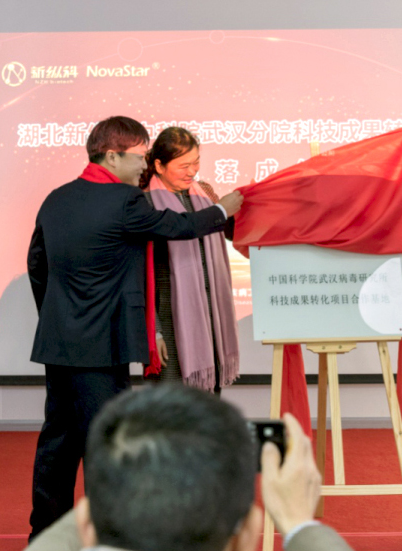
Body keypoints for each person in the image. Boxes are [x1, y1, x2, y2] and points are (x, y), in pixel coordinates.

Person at [26, 116, 244, 540]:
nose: (143, 165)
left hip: (59, 342)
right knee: (107, 444)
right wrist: (223, 210)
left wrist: (58, 317)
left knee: (58, 443)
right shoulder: (125, 201)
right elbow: (179, 227)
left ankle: (44, 535)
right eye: (140, 156)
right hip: (102, 346)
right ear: (112, 156)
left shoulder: (56, 198)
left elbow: (37, 265)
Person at [25, 386, 354, 551]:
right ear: (247, 536)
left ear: (86, 524)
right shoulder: (248, 531)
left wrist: (114, 492)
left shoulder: (84, 521)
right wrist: (299, 524)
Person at [140, 127, 239, 392]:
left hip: (209, 317)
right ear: (159, 165)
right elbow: (140, 275)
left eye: (196, 162)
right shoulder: (144, 202)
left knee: (208, 400)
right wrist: (155, 331)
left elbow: (229, 231)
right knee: (169, 401)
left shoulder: (204, 192)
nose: (192, 171)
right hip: (169, 319)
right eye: (184, 165)